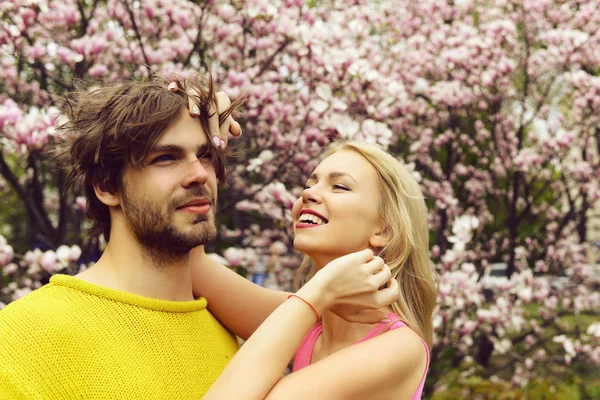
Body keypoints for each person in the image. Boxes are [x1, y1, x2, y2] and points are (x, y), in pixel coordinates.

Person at [0, 75, 397, 399]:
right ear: (106, 185)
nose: (200, 175)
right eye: (166, 157)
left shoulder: (232, 329)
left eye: (206, 155)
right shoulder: (20, 340)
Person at [198, 141, 438, 399]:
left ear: (383, 231)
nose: (308, 194)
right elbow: (193, 268)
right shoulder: (310, 322)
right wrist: (207, 131)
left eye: (339, 186)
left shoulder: (399, 349)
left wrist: (317, 293)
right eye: (310, 184)